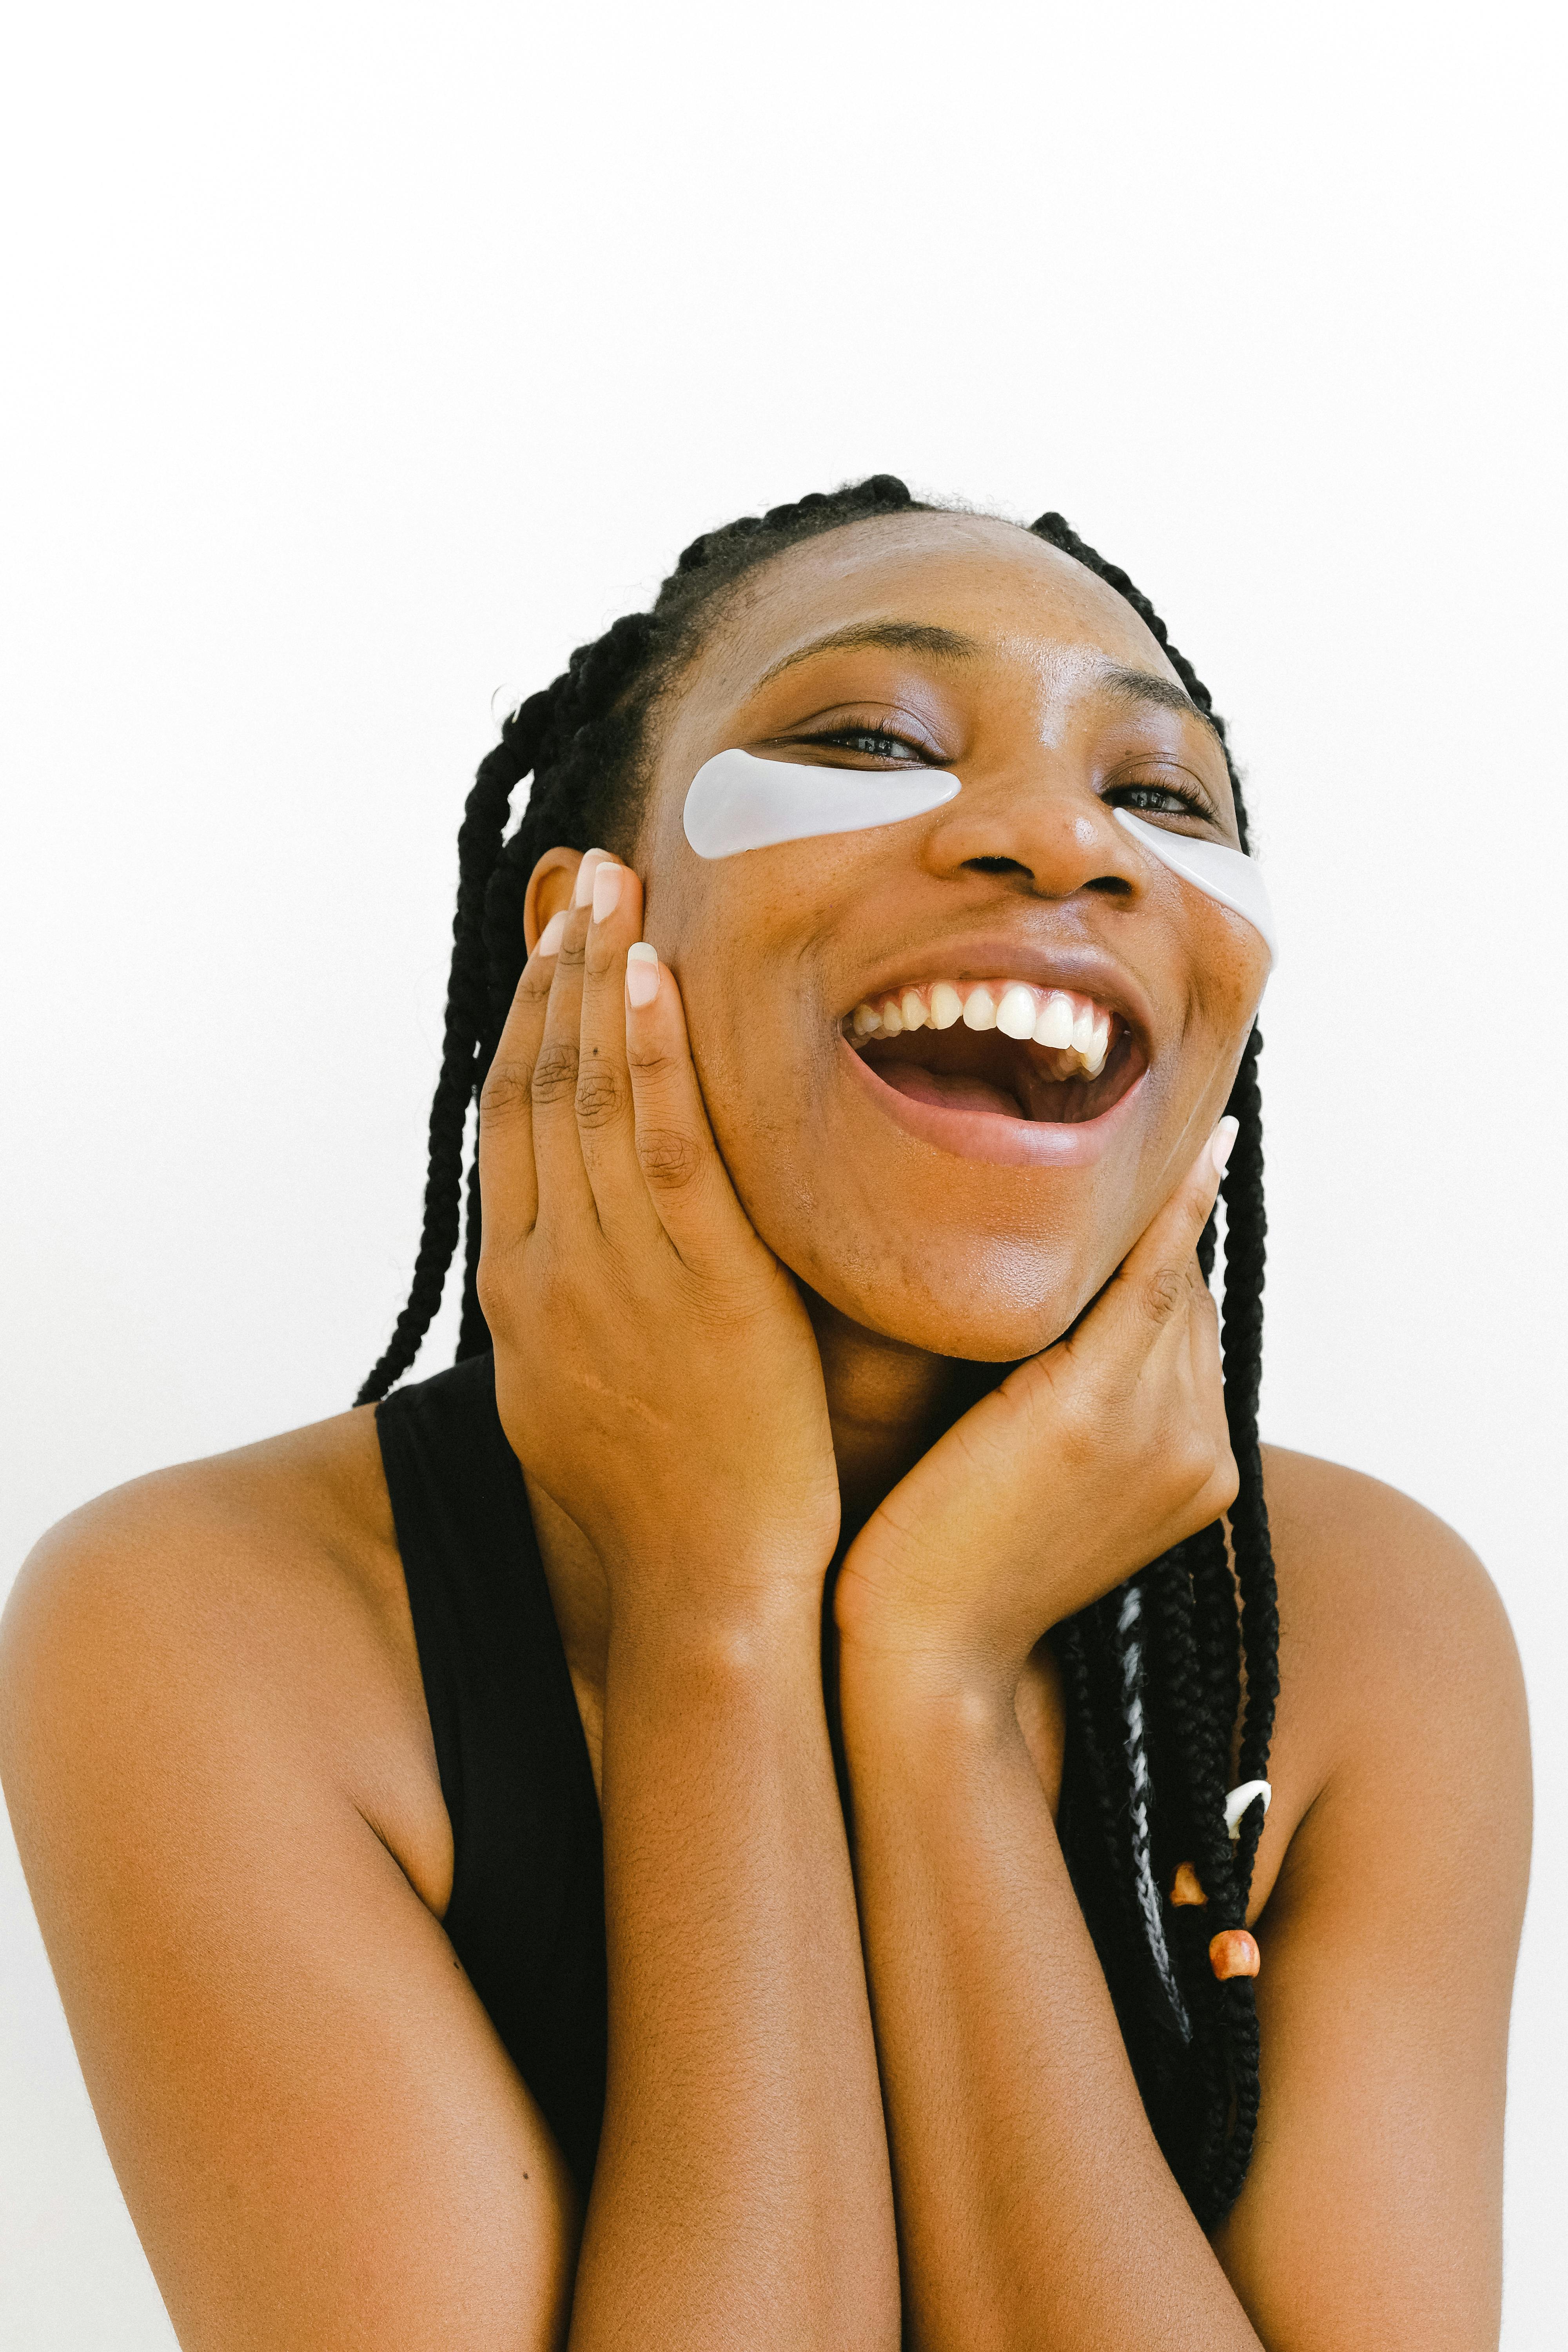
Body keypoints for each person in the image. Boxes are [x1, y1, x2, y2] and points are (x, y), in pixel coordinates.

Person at [0, 478, 1530, 2350]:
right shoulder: (206, 1620)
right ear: (588, 925)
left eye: (1160, 797)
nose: (1066, 840)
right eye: (873, 738)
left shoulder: (1374, 1629)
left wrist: (934, 1683)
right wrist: (717, 1605)